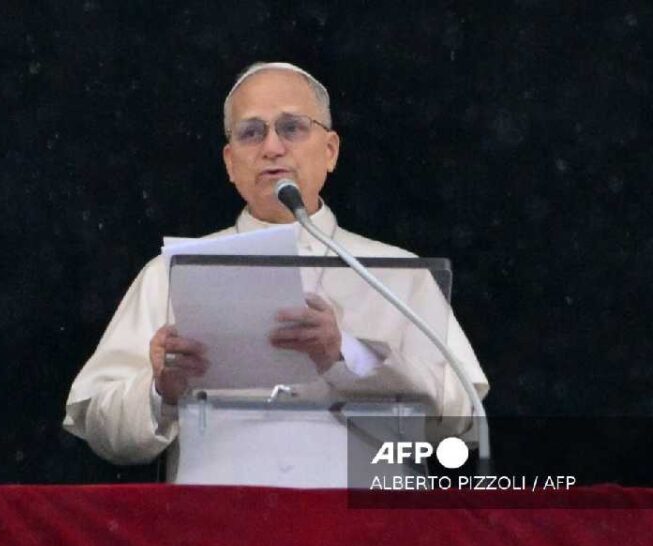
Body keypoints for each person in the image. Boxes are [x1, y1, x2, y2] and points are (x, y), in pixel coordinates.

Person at [64, 62, 488, 465]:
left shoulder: (398, 273)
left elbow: (461, 416)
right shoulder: (171, 272)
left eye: (292, 127)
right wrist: (161, 392)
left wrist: (346, 354)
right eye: (251, 132)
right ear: (230, 163)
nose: (271, 147)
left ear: (330, 151)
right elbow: (99, 425)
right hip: (221, 511)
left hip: (360, 509)